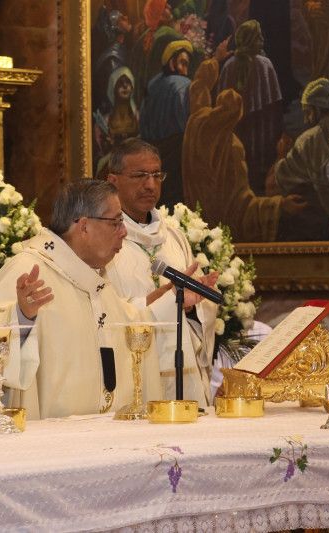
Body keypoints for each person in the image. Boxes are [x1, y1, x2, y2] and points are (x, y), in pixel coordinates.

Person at [0, 179, 206, 420]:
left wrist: (174, 300)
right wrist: (21, 317)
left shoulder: (92, 278)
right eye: (116, 222)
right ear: (84, 226)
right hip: (49, 439)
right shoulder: (30, 269)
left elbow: (132, 326)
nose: (124, 232)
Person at [103, 138, 218, 406]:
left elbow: (200, 315)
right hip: (133, 373)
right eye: (139, 175)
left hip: (182, 371)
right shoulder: (103, 240)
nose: (150, 185)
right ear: (113, 181)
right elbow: (101, 311)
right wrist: (162, 300)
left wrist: (194, 304)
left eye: (156, 175)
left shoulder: (175, 238)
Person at [182, 57, 306, 242]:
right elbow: (242, 210)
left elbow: (198, 95)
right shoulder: (231, 147)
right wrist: (280, 205)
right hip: (220, 238)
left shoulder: (196, 125)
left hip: (197, 233)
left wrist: (210, 69)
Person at [273, 78, 329, 240]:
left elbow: (281, 177)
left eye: (307, 112)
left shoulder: (307, 139)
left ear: (316, 109)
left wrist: (281, 154)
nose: (305, 120)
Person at [218, 19, 284, 195]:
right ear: (251, 39)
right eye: (258, 36)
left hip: (237, 129)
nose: (262, 39)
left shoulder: (228, 66)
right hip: (262, 127)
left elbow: (221, 103)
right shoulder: (265, 64)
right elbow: (275, 103)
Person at [140, 39, 194, 208]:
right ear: (172, 63)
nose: (186, 70)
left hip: (151, 151)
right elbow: (187, 124)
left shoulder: (153, 84)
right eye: (183, 63)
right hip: (176, 152)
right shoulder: (183, 85)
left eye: (187, 65)